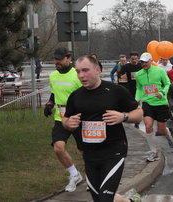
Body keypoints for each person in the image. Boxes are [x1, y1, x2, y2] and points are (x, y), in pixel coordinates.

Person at [62, 55, 143, 202]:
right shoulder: (75, 96)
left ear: (97, 70)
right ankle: (130, 201)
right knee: (100, 198)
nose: (81, 75)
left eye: (85, 70)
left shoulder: (115, 91)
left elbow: (139, 114)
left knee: (105, 198)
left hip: (114, 152)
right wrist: (68, 123)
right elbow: (66, 120)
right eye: (78, 71)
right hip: (90, 155)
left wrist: (123, 116)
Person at [44, 47, 83, 192]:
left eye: (60, 59)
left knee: (83, 150)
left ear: (68, 58)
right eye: (55, 59)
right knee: (58, 148)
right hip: (60, 117)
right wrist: (49, 104)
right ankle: (75, 175)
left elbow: (86, 95)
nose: (57, 62)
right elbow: (54, 94)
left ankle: (93, 177)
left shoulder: (77, 75)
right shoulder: (53, 76)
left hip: (78, 117)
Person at [135, 53, 173, 162]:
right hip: (147, 104)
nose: (144, 64)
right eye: (142, 62)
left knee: (161, 130)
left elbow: (167, 84)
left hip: (160, 103)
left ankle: (167, 135)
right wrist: (137, 99)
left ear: (151, 61)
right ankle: (153, 152)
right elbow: (139, 88)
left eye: (146, 61)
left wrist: (162, 92)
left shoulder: (159, 71)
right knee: (148, 127)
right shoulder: (138, 74)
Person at [118, 52, 142, 129]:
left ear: (138, 59)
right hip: (131, 88)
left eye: (135, 59)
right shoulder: (126, 66)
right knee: (133, 104)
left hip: (140, 88)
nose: (134, 60)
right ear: (130, 59)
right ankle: (133, 117)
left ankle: (137, 122)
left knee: (138, 103)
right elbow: (120, 73)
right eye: (132, 59)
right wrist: (120, 75)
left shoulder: (140, 65)